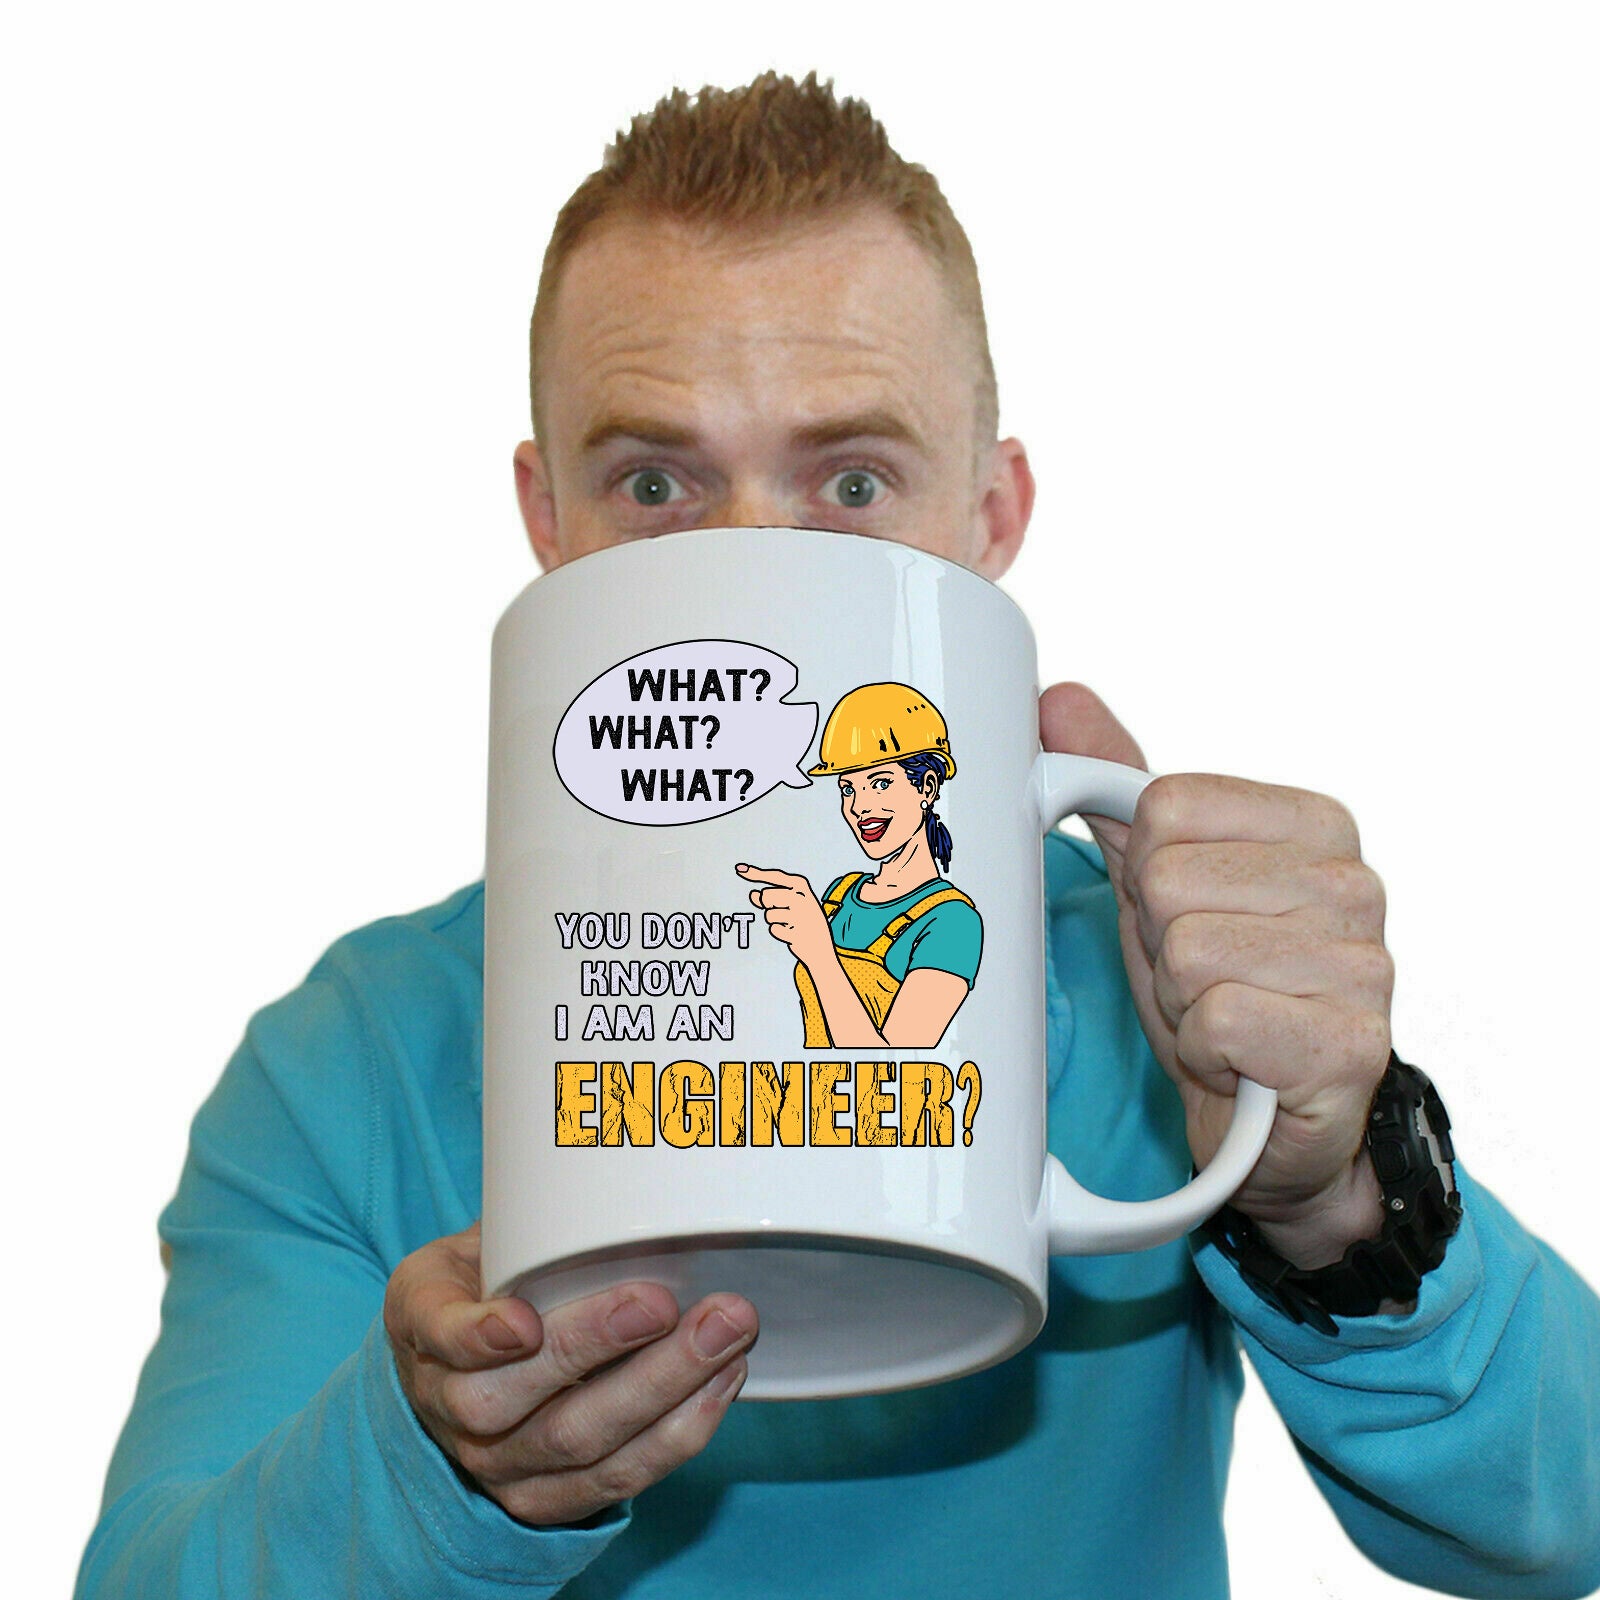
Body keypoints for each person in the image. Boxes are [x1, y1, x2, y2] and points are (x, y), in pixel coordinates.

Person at [76, 73, 1600, 1599]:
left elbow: (1565, 1527)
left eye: (854, 481)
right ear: (548, 522)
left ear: (991, 517)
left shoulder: (1168, 998)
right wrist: (431, 1475)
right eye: (654, 482)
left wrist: (1331, 1198)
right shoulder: (350, 1064)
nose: (751, 559)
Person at [738, 682, 983, 1049]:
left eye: (880, 783)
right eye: (848, 789)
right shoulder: (840, 894)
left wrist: (818, 951)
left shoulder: (953, 923)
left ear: (927, 788)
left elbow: (895, 1070)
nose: (859, 807)